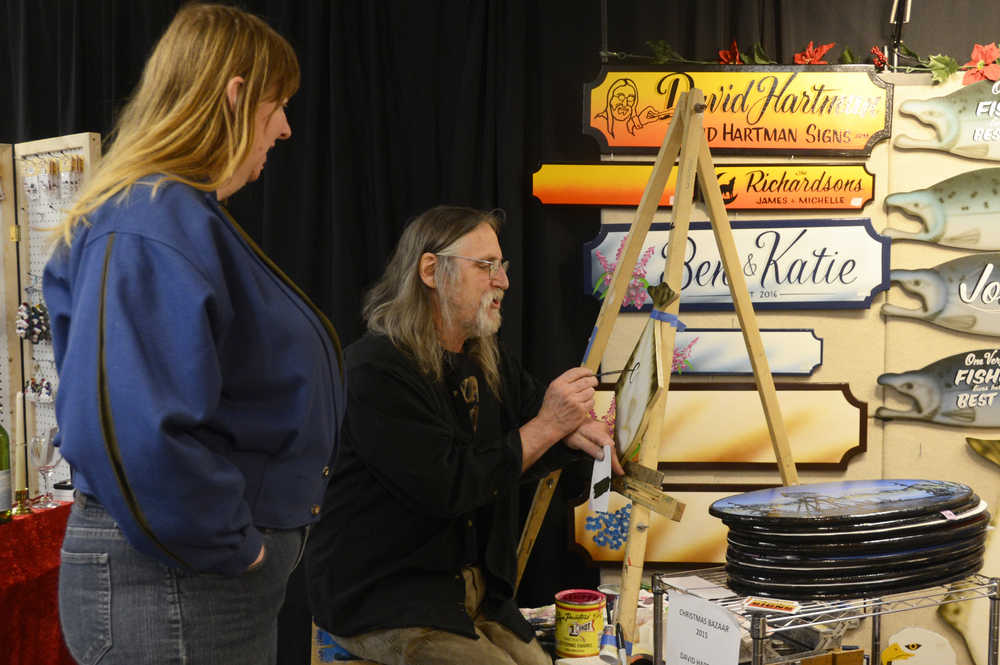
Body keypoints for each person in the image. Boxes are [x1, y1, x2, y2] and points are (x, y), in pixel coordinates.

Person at [43, 5, 345, 664]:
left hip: (191, 581)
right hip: (181, 583)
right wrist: (236, 544)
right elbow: (127, 429)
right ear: (235, 95)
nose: (286, 128)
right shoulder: (149, 219)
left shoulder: (170, 215)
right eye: (278, 104)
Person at [305, 205, 623, 665]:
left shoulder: (485, 359)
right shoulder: (375, 369)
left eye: (503, 267)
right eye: (486, 266)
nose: (503, 282)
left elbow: (539, 435)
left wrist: (579, 431)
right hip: (389, 603)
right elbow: (447, 486)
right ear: (431, 271)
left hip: (473, 599)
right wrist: (549, 425)